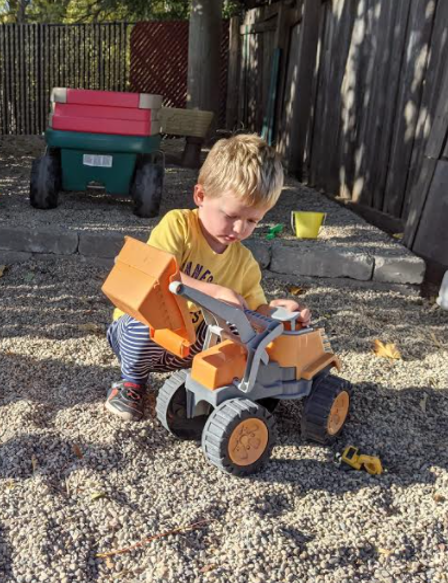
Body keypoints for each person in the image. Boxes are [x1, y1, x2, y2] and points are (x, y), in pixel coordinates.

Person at [105, 134, 311, 421]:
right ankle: (131, 384)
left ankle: (213, 384)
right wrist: (212, 291)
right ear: (200, 196)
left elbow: (253, 313)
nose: (239, 229)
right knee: (141, 325)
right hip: (146, 332)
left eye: (252, 220)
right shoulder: (178, 226)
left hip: (195, 343)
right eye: (231, 215)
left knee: (243, 332)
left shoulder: (244, 263)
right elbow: (152, 271)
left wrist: (277, 312)